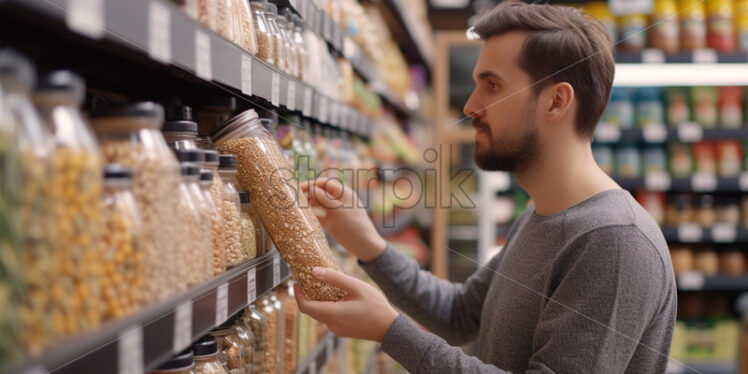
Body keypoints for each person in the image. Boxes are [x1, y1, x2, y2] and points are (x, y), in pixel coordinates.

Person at [294, 1, 677, 373]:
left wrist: (390, 330)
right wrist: (368, 245)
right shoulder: (542, 213)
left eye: (493, 85)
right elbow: (460, 314)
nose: (470, 106)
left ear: (557, 101)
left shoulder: (614, 242)